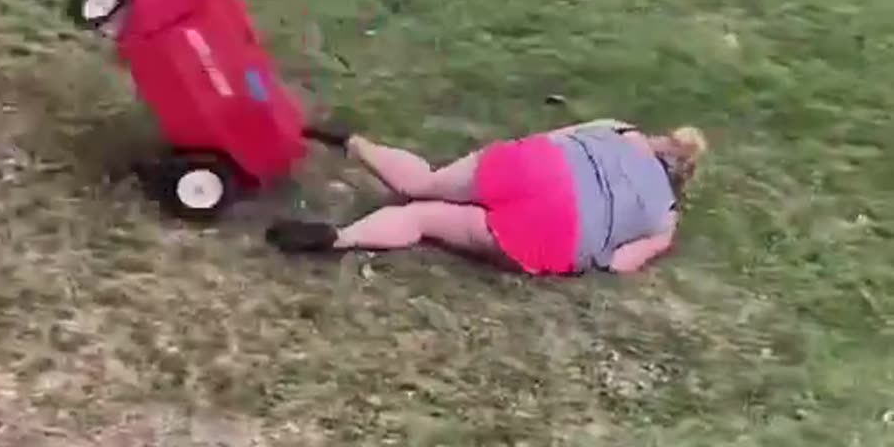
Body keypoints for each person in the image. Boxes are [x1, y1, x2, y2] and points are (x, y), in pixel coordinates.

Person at [265, 119, 708, 275]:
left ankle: (354, 144)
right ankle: (339, 237)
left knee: (427, 183)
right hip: (554, 232)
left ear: (664, 140)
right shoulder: (664, 222)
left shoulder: (618, 128)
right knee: (425, 218)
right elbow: (616, 264)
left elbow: (555, 137)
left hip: (537, 165)